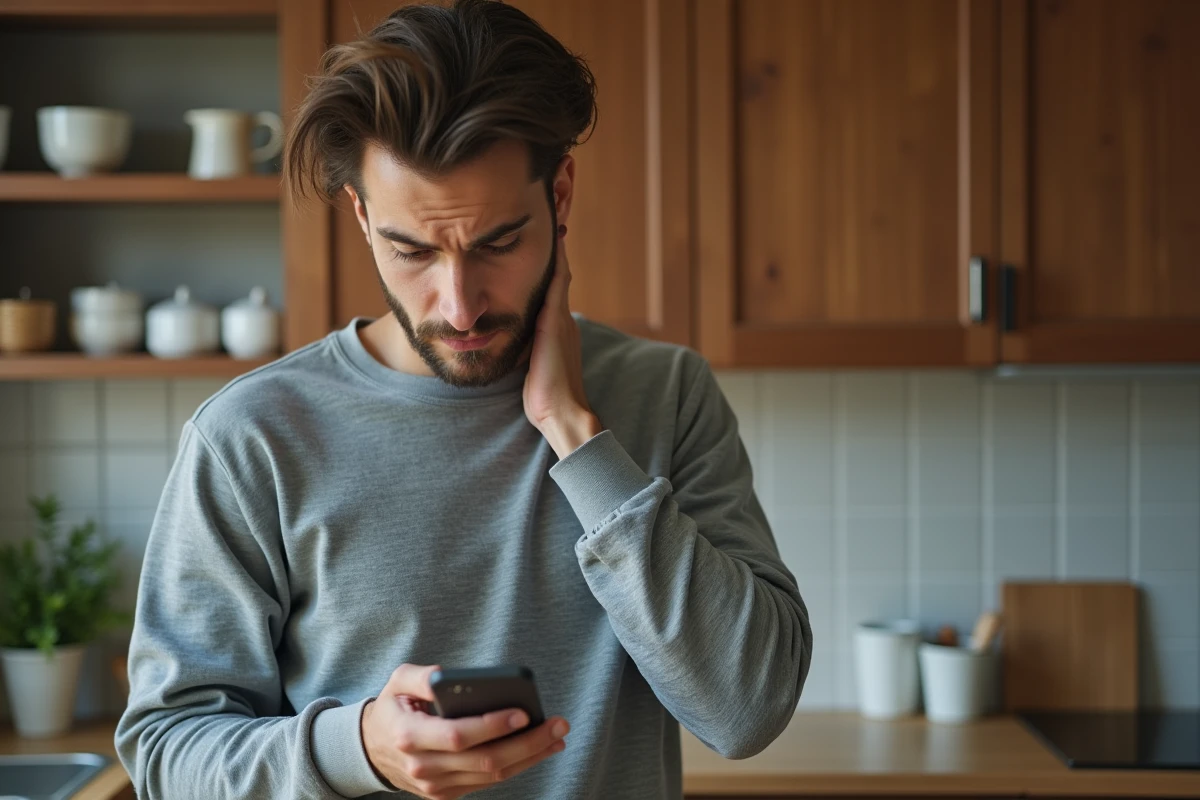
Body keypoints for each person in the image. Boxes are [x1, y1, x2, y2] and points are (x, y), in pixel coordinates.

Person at [114, 1, 812, 797]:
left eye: (498, 243)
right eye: (412, 250)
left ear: (561, 197)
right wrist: (360, 749)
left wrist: (580, 439)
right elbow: (167, 755)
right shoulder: (251, 436)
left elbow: (749, 711)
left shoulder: (666, 394)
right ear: (363, 217)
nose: (459, 305)